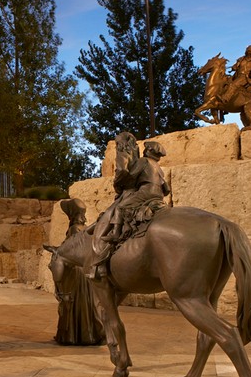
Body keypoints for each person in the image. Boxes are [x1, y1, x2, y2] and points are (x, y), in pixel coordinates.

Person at [89, 140, 170, 280]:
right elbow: (167, 189)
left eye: (146, 149)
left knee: (121, 207)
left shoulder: (143, 161)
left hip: (146, 191)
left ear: (148, 151)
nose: (144, 151)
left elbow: (131, 176)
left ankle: (115, 233)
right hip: (159, 195)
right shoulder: (158, 167)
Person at [50, 198, 104, 345]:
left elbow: (68, 249)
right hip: (84, 269)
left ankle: (72, 336)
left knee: (72, 302)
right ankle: (89, 334)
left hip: (75, 272)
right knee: (87, 303)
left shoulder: (74, 229)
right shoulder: (85, 227)